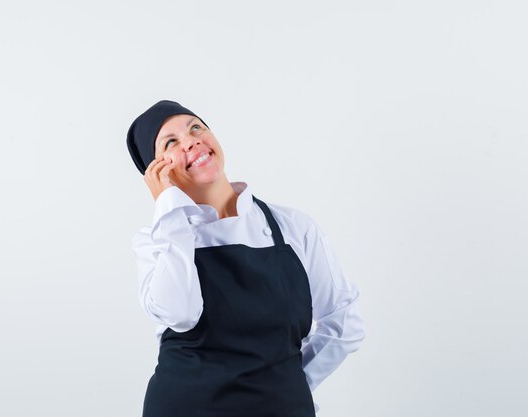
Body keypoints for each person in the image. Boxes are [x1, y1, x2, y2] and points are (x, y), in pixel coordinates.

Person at [127, 100, 366, 417]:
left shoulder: (292, 228)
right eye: (170, 142)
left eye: (196, 127)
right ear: (156, 172)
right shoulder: (158, 240)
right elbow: (181, 314)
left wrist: (287, 388)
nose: (191, 140)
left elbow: (344, 324)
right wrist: (170, 212)